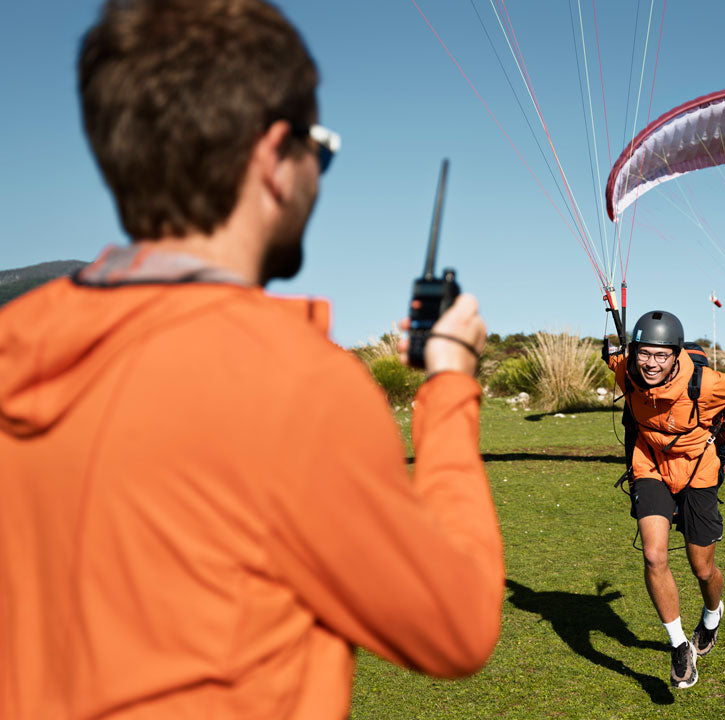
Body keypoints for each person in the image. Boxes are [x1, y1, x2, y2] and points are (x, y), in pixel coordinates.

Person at [0, 1, 504, 717]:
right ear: (273, 157)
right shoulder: (294, 386)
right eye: (319, 149)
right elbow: (457, 624)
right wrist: (451, 383)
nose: (319, 175)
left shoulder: (16, 342)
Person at [603, 311, 725, 689]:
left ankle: (712, 616)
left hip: (698, 471)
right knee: (653, 555)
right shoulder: (626, 369)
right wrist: (609, 345)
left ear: (676, 354)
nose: (650, 363)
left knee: (702, 570)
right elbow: (613, 355)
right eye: (644, 353)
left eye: (661, 355)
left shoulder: (709, 383)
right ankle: (679, 645)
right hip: (650, 466)